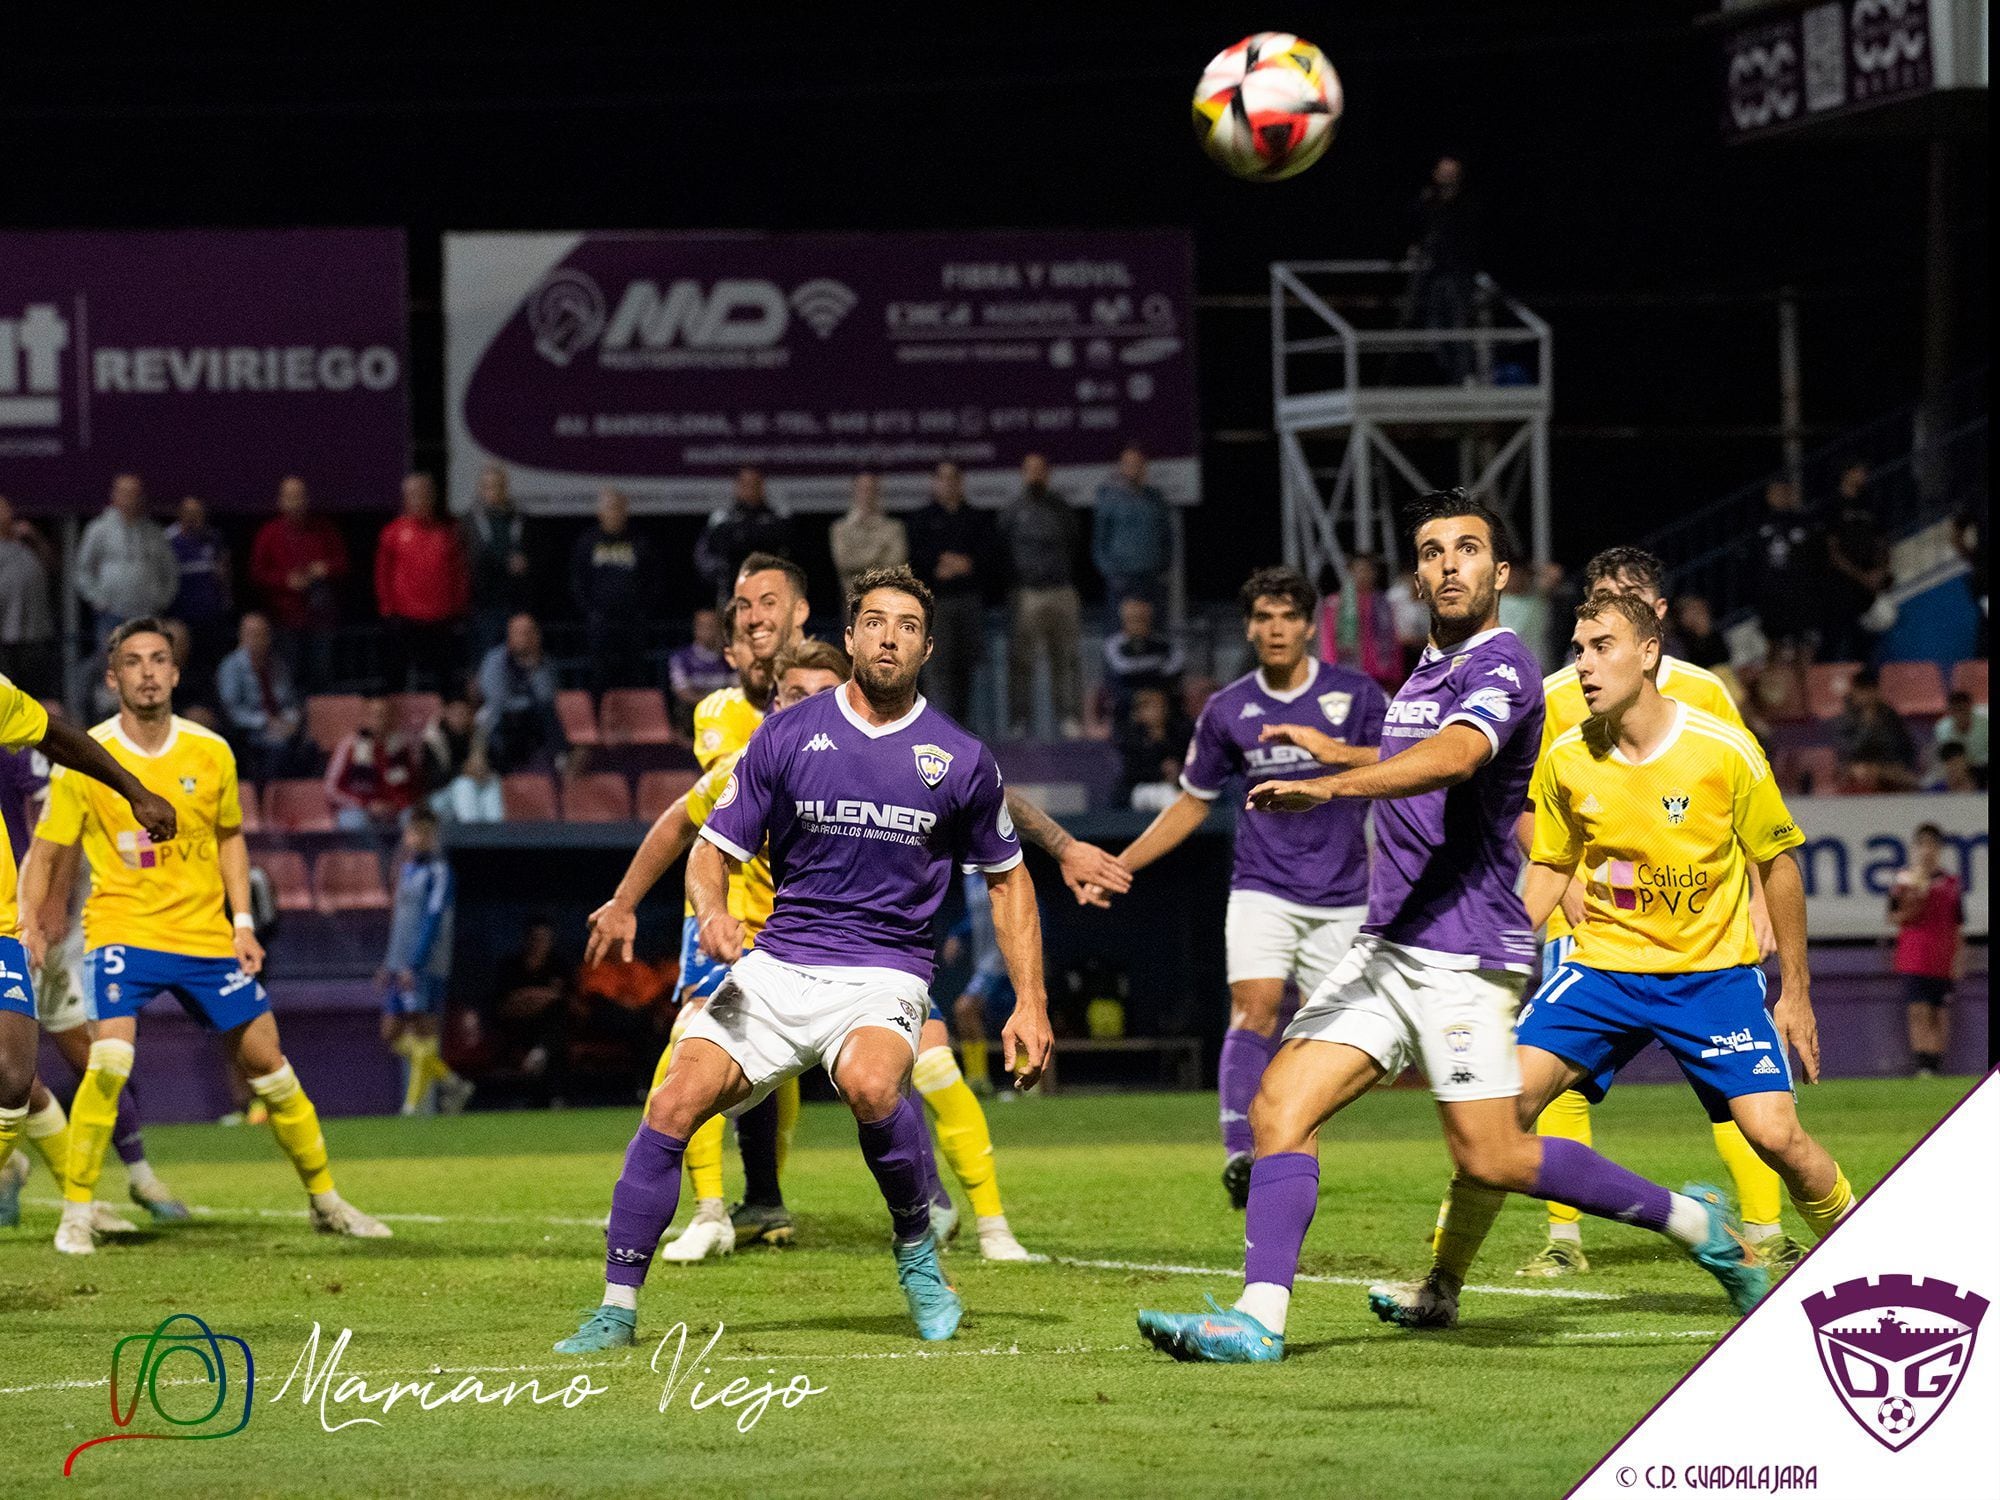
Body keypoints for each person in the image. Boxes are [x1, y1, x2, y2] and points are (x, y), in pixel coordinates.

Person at [1136, 492, 1769, 1364]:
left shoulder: (1501, 662)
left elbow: (1461, 756)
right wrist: (1343, 766)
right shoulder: (1425, 672)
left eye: (1467, 549)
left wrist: (1331, 786)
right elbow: (1411, 752)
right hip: (1389, 945)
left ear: (1499, 573)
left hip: (1464, 954)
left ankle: (1697, 1223)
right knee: (1279, 1104)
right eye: (1431, 552)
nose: (1447, 565)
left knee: (1495, 1154)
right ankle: (1259, 1322)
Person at [552, 565, 1052, 1353]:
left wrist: (1031, 1001)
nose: (890, 636)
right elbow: (708, 848)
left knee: (868, 1081)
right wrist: (712, 912)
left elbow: (1009, 879)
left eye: (909, 626)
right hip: (778, 964)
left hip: (885, 971)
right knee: (672, 1103)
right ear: (850, 636)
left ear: (926, 649)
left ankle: (918, 1251)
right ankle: (615, 1308)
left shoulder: (957, 757)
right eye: (876, 621)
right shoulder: (786, 735)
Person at [1375, 589, 1854, 1331]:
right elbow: (1551, 867)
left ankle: (1870, 1271)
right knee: (1496, 1120)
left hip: (1713, 978)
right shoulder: (1568, 759)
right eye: (1577, 649)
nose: (1584, 664)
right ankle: (1440, 1286)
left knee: (1777, 1136)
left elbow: (1780, 861)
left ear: (1649, 652)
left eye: (1602, 647)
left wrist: (1797, 989)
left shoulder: (1721, 749)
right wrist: (1488, 956)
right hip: (1601, 973)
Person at [19, 619, 387, 1253]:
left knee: (269, 1066)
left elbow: (230, 839)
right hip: (122, 931)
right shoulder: (88, 760)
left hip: (204, 936)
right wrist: (32, 923)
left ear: (176, 672)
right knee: (109, 1062)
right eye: (133, 662)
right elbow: (46, 855)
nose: (148, 672)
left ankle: (326, 1201)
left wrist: (242, 923)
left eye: (159, 659)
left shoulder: (210, 750)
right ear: (113, 679)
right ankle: (77, 1212)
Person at [1520, 545, 1797, 1278]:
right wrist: (1564, 890)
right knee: (1553, 1081)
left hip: (1701, 929)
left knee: (1738, 1097)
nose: (1608, 610)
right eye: (1598, 597)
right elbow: (1533, 809)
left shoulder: (1706, 694)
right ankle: (1562, 1236)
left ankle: (1765, 1228)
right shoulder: (1556, 696)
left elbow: (1735, 807)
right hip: (1586, 923)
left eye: (1627, 596)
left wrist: (1760, 904)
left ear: (1656, 621)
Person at [1115, 567, 1384, 1206]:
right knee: (1255, 1006)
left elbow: (1409, 762)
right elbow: (1191, 803)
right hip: (1262, 886)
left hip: (1345, 893)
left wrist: (1334, 752)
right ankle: (1241, 1152)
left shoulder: (1358, 695)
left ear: (1309, 624)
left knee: (1332, 1043)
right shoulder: (1228, 708)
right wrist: (1123, 862)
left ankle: (1287, 1141)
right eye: (1263, 617)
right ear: (1249, 627)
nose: (1276, 629)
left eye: (1288, 616)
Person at [0, 712, 188, 1233]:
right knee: (23, 1072)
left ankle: (130, 1177)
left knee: (68, 1055)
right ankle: (67, 1190)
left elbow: (51, 825)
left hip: (26, 917)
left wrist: (49, 904)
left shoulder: (19, 733)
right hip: (31, 913)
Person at [377, 809, 472, 1115]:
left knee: (422, 1031)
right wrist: (390, 963)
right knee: (390, 1032)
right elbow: (400, 922)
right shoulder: (405, 870)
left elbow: (432, 921)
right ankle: (453, 1083)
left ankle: (413, 1107)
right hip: (400, 963)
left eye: (424, 833)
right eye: (413, 832)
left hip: (427, 965)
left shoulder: (440, 872)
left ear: (433, 837)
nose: (417, 839)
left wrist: (414, 964)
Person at [999, 453, 1083, 738]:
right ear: (1023, 474)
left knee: (1065, 658)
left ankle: (1069, 717)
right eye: (1030, 470)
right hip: (1027, 594)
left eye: (1040, 470)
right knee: (1021, 661)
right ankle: (1019, 721)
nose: (1035, 475)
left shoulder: (1061, 508)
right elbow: (1002, 548)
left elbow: (1075, 541)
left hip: (1060, 591)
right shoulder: (1012, 510)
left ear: (1048, 474)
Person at [907, 461, 994, 724]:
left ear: (961, 482)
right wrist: (939, 564)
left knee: (967, 669)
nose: (948, 483)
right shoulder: (921, 519)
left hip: (969, 603)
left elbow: (989, 556)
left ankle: (964, 730)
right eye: (942, 478)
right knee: (937, 669)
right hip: (936, 605)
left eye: (953, 478)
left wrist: (966, 564)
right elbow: (916, 559)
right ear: (934, 483)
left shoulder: (976, 518)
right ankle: (939, 730)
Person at [249, 476, 349, 690]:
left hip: (320, 618)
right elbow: (257, 573)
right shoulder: (269, 533)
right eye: (290, 497)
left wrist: (324, 569)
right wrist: (286, 581)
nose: (295, 503)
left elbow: (342, 563)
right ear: (280, 501)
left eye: (300, 497)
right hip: (284, 620)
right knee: (288, 679)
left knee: (321, 676)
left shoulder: (324, 529)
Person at [374, 472, 468, 692]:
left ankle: (447, 725)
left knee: (447, 680)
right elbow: (382, 575)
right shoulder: (392, 532)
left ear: (433, 497)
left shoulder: (448, 533)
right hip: (404, 619)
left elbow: (460, 573)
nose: (420, 500)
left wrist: (459, 609)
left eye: (425, 494)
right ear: (405, 499)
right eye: (414, 495)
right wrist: (388, 610)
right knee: (396, 679)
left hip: (442, 619)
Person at [1890, 823, 1963, 1078]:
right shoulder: (1903, 881)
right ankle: (1923, 1065)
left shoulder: (1951, 883)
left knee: (1940, 1014)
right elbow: (1893, 916)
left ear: (1939, 849)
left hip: (1941, 957)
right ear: (1915, 848)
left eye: (1932, 845)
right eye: (1922, 845)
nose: (1927, 851)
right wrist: (1916, 897)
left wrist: (1959, 958)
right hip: (1913, 957)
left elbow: (1957, 924)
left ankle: (1936, 1063)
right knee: (1918, 1011)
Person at [75, 474, 179, 643]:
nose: (130, 499)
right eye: (125, 493)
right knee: (112, 663)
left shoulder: (154, 532)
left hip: (148, 614)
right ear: (114, 495)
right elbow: (83, 569)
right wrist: (99, 600)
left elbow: (170, 570)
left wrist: (161, 600)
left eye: (135, 493)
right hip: (111, 614)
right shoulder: (98, 529)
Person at [570, 488, 656, 691]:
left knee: (634, 677)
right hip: (600, 625)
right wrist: (592, 613)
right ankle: (603, 721)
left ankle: (635, 721)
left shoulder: (640, 542)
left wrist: (641, 611)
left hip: (632, 624)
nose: (614, 513)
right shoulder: (587, 542)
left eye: (619, 508)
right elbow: (578, 582)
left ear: (626, 511)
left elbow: (652, 581)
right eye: (610, 508)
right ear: (600, 513)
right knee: (600, 678)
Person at [1405, 156, 1479, 383]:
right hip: (1433, 276)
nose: (1446, 177)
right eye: (1443, 172)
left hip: (1459, 275)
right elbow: (1413, 226)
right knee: (1434, 328)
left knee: (1459, 326)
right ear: (1435, 174)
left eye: (1451, 173)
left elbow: (1469, 239)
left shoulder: (1467, 204)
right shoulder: (1429, 202)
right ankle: (1451, 377)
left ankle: (1466, 377)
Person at [214, 612, 310, 784]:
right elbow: (231, 710)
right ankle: (267, 798)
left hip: (280, 727)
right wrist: (266, 722)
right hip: (249, 731)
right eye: (253, 634)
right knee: (277, 750)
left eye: (263, 634)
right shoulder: (231, 667)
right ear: (242, 637)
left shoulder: (277, 664)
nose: (258, 639)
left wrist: (291, 721)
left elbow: (289, 700)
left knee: (309, 748)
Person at [475, 614, 567, 774]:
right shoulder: (495, 660)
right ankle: (503, 773)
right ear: (509, 636)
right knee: (505, 721)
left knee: (550, 716)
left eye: (528, 632)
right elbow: (498, 700)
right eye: (518, 632)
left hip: (534, 721)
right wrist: (528, 704)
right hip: (500, 719)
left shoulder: (545, 662)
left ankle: (555, 770)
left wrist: (535, 665)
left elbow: (547, 698)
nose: (523, 637)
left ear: (537, 636)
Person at [164, 495, 232, 702]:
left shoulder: (214, 538)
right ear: (181, 515)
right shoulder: (167, 540)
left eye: (199, 513)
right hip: (182, 621)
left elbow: (224, 574)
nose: (195, 518)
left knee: (209, 671)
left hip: (210, 620)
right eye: (190, 513)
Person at [463, 463, 531, 666]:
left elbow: (538, 558)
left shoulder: (522, 520)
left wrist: (526, 563)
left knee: (519, 661)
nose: (495, 491)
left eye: (499, 485)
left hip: (516, 603)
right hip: (483, 606)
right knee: (486, 662)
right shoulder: (468, 522)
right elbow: (464, 563)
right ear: (481, 489)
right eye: (489, 486)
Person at [1091, 445, 1172, 614]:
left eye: (1137, 463)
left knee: (1153, 631)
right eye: (1128, 464)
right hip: (1121, 580)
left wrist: (1162, 568)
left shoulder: (1155, 499)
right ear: (1121, 467)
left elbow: (1167, 537)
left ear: (1144, 466)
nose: (1133, 468)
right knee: (1119, 634)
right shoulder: (1109, 499)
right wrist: (1111, 573)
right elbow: (1099, 541)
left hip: (1151, 578)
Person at [324, 695, 424, 833]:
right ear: (366, 718)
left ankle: (407, 855)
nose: (381, 720)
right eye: (376, 715)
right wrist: (366, 805)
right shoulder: (349, 746)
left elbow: (413, 786)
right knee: (356, 821)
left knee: (414, 818)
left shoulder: (401, 746)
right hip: (358, 809)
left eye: (385, 715)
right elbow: (331, 789)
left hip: (394, 809)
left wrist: (397, 805)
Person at [694, 468, 793, 604]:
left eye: (755, 484)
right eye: (745, 484)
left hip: (771, 592)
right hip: (732, 592)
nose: (750, 489)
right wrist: (722, 574)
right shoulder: (722, 520)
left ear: (762, 486)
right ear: (737, 487)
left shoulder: (779, 519)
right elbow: (706, 558)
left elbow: (791, 556)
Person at [1753, 478, 1823, 660]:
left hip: (1801, 596)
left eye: (1785, 492)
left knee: (1805, 647)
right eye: (1776, 492)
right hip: (1772, 599)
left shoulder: (1803, 521)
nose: (1781, 496)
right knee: (1775, 648)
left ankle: (1807, 687)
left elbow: (1816, 557)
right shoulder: (1759, 524)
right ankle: (1777, 688)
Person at [0, 495, 60, 696]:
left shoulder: (27, 545)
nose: (6, 515)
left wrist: (33, 536)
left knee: (35, 694)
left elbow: (52, 566)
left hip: (34, 634)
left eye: (7, 509)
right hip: (5, 636)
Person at [1318, 553, 1403, 693]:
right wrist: (1330, 672)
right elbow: (1327, 640)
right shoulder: (1335, 604)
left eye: (1368, 570)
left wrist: (1396, 675)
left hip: (1380, 675)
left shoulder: (1383, 604)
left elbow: (1394, 642)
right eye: (1358, 570)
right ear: (1349, 572)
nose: (1363, 574)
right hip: (1346, 675)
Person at [1102, 595, 1186, 729]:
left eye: (1142, 619)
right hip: (1127, 696)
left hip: (1160, 692)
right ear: (1124, 620)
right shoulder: (1114, 643)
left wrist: (1147, 674)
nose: (1138, 623)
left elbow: (1176, 665)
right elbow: (1124, 669)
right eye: (1133, 619)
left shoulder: (1163, 643)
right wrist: (1156, 666)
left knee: (1166, 702)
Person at [1832, 669, 1917, 791]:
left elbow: (1903, 747)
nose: (1867, 696)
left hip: (1887, 767)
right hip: (1855, 766)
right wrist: (1867, 725)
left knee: (1906, 778)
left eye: (1870, 691)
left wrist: (1883, 767)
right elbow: (1848, 750)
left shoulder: (1890, 716)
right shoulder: (1844, 719)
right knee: (1861, 772)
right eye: (1862, 691)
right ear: (1854, 692)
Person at [829, 472, 908, 600]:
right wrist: (880, 549)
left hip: (888, 597)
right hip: (852, 598)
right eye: (863, 489)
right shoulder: (840, 528)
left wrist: (861, 558)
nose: (867, 494)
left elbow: (897, 563)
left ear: (878, 492)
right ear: (854, 491)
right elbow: (844, 562)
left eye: (871, 489)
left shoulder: (894, 527)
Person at [1115, 684, 1192, 804]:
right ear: (1139, 711)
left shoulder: (1178, 734)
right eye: (1151, 706)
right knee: (1167, 795)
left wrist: (1178, 771)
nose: (1159, 709)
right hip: (1140, 790)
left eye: (1161, 705)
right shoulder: (1132, 737)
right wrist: (1160, 772)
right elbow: (1131, 773)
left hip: (1177, 787)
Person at [666, 608, 733, 740]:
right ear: (695, 628)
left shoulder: (731, 657)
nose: (708, 630)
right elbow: (682, 692)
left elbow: (739, 690)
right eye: (702, 625)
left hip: (726, 716)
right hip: (694, 716)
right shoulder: (681, 658)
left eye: (712, 626)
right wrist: (710, 704)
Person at [1932, 690, 1988, 788]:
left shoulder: (1985, 726)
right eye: (1956, 710)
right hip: (1957, 767)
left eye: (1963, 710)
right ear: (1950, 711)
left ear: (1970, 708)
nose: (1960, 715)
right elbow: (1947, 755)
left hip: (1982, 768)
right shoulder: (1942, 728)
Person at [1671, 594, 1731, 670]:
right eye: (1690, 610)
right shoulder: (1682, 643)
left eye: (1698, 610)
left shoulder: (1726, 632)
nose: (1695, 616)